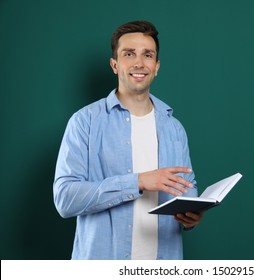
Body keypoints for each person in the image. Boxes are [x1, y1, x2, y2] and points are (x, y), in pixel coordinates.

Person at [53, 20, 203, 260]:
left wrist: (192, 214)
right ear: (114, 64)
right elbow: (65, 198)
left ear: (156, 66)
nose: (139, 63)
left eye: (147, 55)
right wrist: (138, 182)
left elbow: (188, 187)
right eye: (129, 54)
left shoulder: (174, 128)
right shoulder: (84, 122)